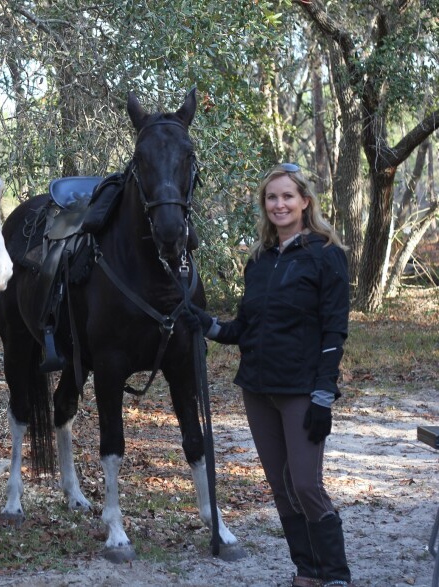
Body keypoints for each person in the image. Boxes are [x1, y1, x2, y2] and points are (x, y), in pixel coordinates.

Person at [187, 163, 354, 586]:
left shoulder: (326, 255)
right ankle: (307, 571)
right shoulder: (259, 261)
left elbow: (334, 330)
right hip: (258, 389)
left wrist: (322, 395)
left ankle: (335, 574)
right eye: (271, 197)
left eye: (287, 196)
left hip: (301, 390)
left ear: (305, 202)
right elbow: (243, 327)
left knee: (305, 485)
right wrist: (205, 324)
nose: (279, 204)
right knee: (281, 489)